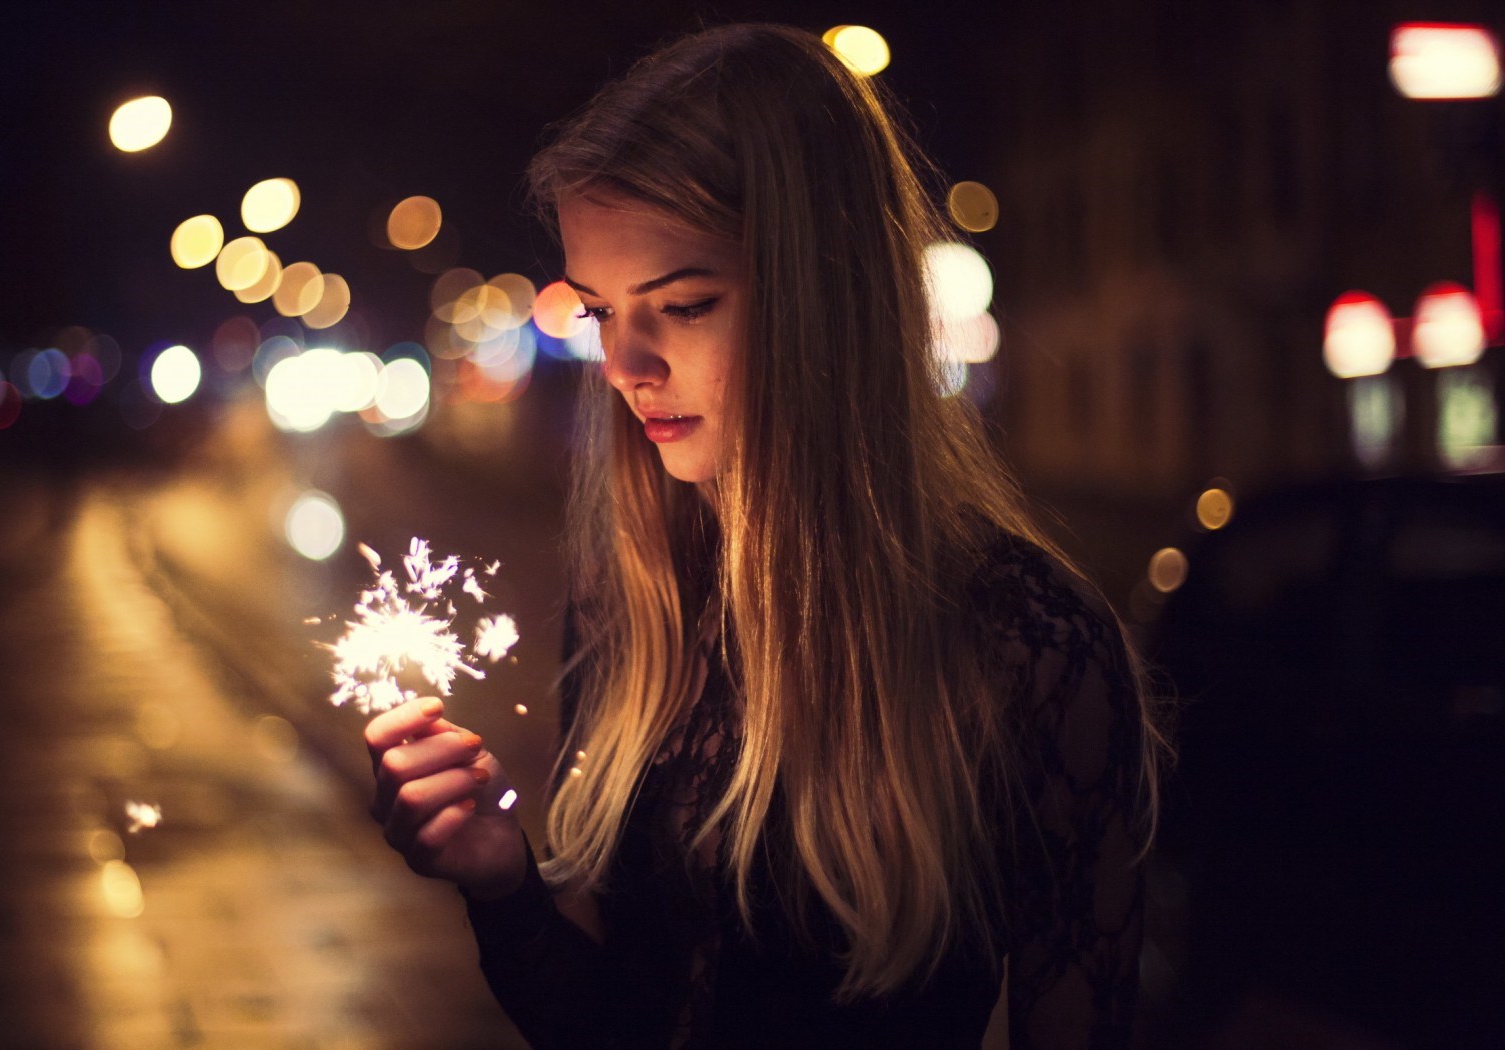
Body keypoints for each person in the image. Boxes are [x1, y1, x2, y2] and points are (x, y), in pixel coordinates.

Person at [364, 23, 1170, 1048]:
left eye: (685, 304)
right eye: (605, 312)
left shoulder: (1024, 647)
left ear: (825, 298)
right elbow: (616, 1025)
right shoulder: (632, 607)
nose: (625, 366)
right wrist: (499, 879)